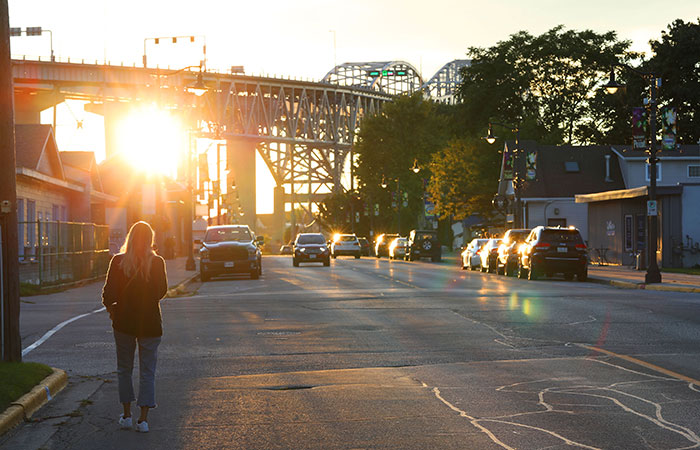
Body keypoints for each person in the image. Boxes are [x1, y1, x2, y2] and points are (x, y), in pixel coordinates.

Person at [102, 221, 168, 433]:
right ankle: (144, 420)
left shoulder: (118, 261)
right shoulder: (157, 262)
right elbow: (161, 291)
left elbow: (108, 292)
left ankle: (127, 415)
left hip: (124, 322)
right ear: (150, 239)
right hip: (150, 322)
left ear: (129, 237)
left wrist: (112, 308)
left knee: (124, 369)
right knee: (148, 371)